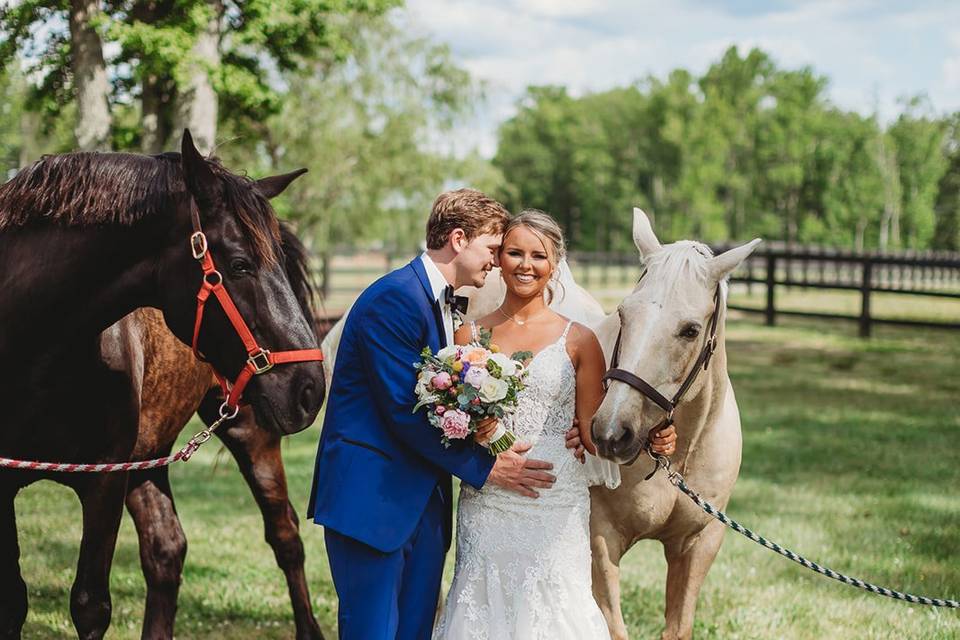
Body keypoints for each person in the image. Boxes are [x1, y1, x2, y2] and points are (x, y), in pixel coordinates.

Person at [307, 190, 579, 640]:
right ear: (458, 239)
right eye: (493, 249)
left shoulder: (440, 303)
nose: (497, 263)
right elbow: (401, 410)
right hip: (371, 502)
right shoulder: (392, 299)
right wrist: (488, 468)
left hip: (421, 505)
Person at [433, 209, 677, 639]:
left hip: (555, 503)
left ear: (554, 264)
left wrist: (649, 439)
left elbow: (593, 434)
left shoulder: (580, 340)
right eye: (514, 252)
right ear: (500, 260)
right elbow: (452, 424)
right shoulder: (468, 337)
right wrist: (481, 433)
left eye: (538, 256)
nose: (525, 265)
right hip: (489, 501)